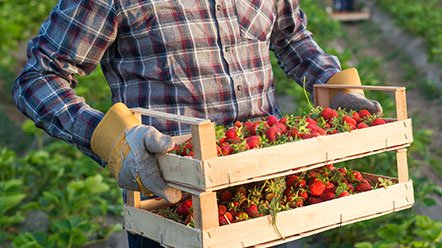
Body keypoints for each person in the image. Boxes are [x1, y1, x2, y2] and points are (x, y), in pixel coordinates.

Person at [12, 0, 381, 247]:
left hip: (269, 195)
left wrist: (336, 88)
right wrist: (115, 143)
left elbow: (292, 37)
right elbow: (40, 77)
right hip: (173, 203)